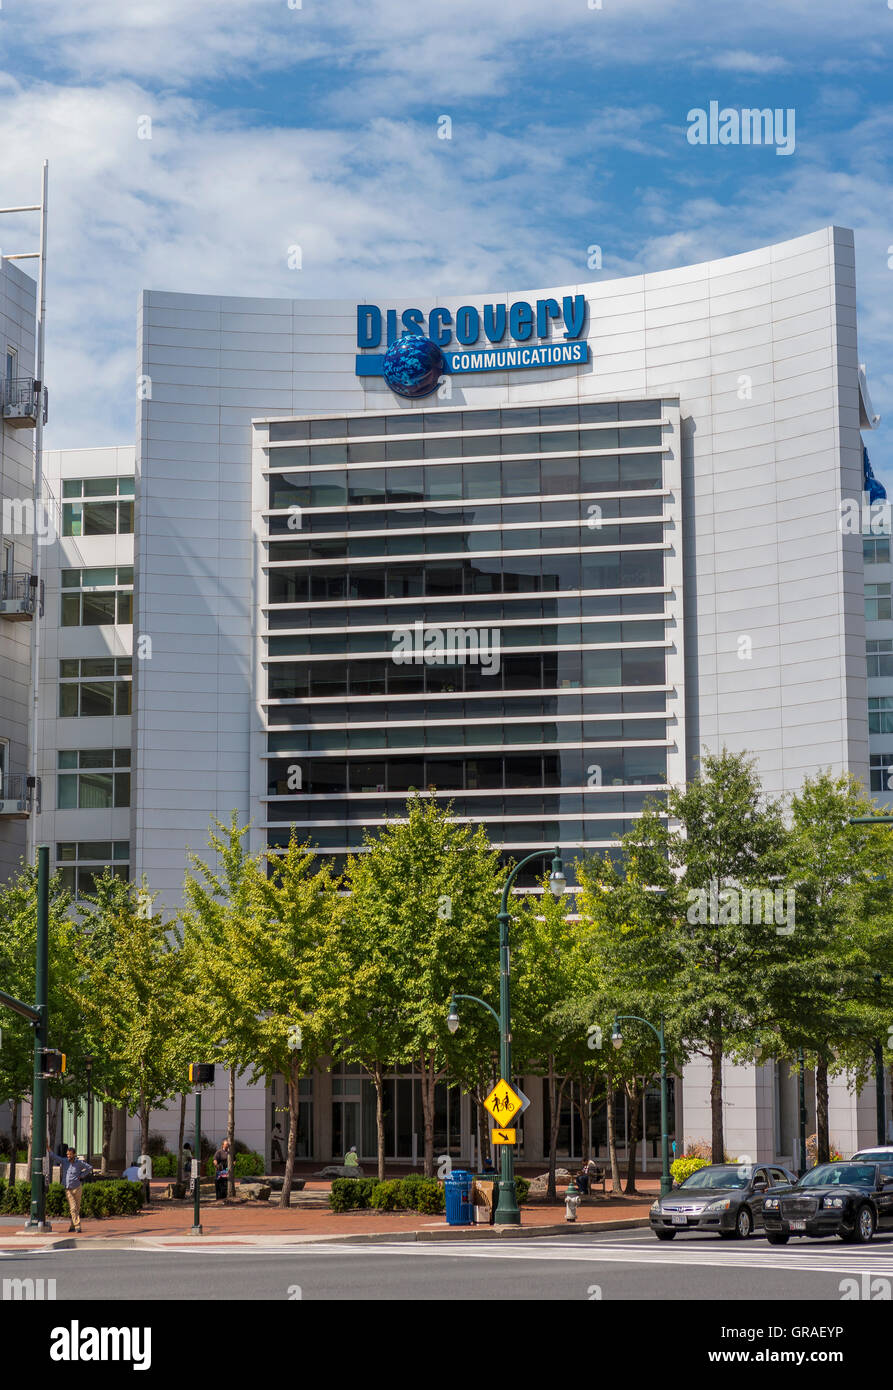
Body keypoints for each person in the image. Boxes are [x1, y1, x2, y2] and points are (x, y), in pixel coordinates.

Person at [50, 1143, 93, 1233]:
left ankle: (72, 1226)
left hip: (77, 1187)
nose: (68, 1156)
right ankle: (77, 1226)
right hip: (68, 1188)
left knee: (77, 1208)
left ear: (74, 1154)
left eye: (70, 1154)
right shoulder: (64, 1161)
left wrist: (81, 1175)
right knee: (73, 1208)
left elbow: (89, 1168)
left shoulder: (79, 1163)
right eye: (67, 1154)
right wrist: (47, 1147)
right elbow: (54, 1156)